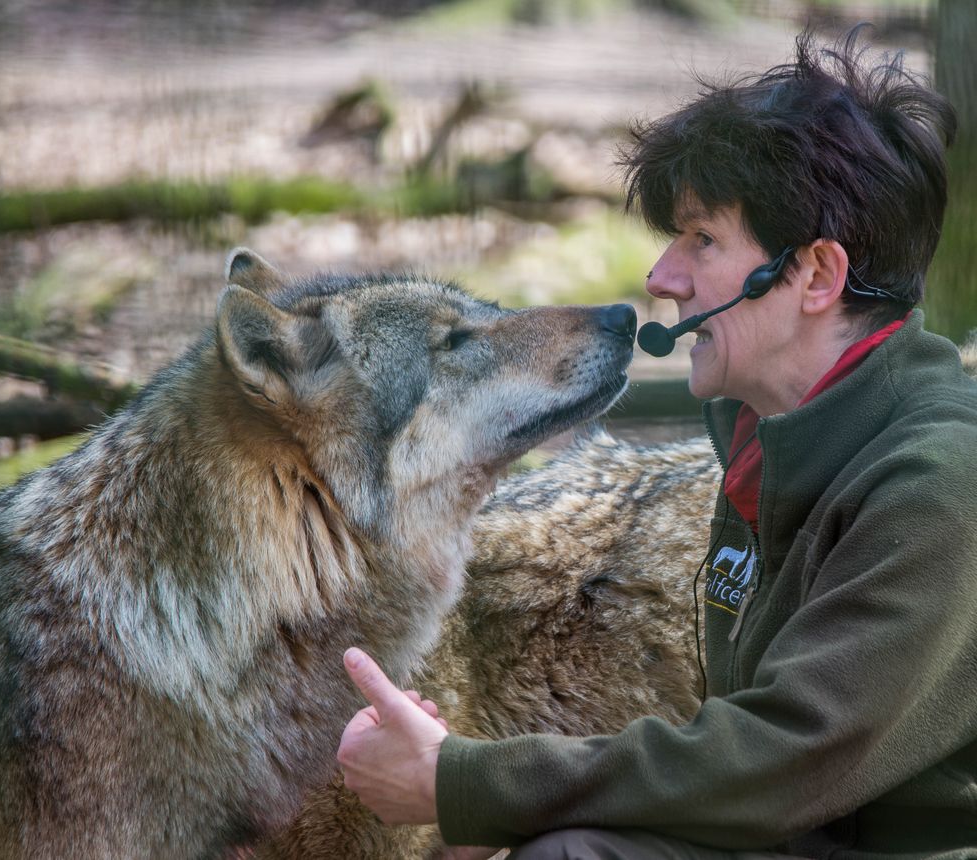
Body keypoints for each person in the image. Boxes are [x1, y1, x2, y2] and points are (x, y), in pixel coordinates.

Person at [337, 27, 977, 859]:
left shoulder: (938, 484)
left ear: (817, 276)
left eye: (702, 241)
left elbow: (784, 760)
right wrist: (495, 805)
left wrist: (465, 785)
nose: (663, 278)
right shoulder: (769, 441)